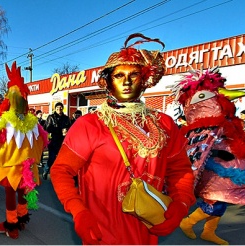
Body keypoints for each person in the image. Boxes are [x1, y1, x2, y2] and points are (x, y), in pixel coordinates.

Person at [50, 33, 196, 245]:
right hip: (102, 233)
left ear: (145, 79)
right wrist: (78, 210)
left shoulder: (164, 123)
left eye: (134, 74)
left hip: (147, 232)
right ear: (108, 81)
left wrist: (181, 202)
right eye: (119, 75)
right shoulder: (90, 124)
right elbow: (61, 170)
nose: (126, 81)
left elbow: (180, 170)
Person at [171, 67, 245, 245]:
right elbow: (196, 153)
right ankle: (188, 223)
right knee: (216, 203)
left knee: (220, 204)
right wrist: (217, 152)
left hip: (227, 169)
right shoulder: (203, 127)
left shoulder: (225, 121)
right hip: (214, 171)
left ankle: (208, 231)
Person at [0, 62, 47, 239]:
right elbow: (43, 142)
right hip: (26, 168)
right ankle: (21, 219)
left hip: (11, 169)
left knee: (10, 195)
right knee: (22, 193)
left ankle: (12, 225)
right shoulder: (34, 123)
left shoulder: (7, 122)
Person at [43, 102, 71, 180]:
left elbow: (70, 127)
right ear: (55, 109)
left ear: (63, 108)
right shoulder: (51, 117)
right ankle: (46, 170)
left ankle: (60, 174)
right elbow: (47, 128)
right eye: (57, 108)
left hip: (63, 142)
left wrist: (67, 130)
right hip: (53, 141)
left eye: (60, 108)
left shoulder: (66, 118)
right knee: (51, 158)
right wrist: (59, 130)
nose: (59, 109)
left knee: (62, 159)